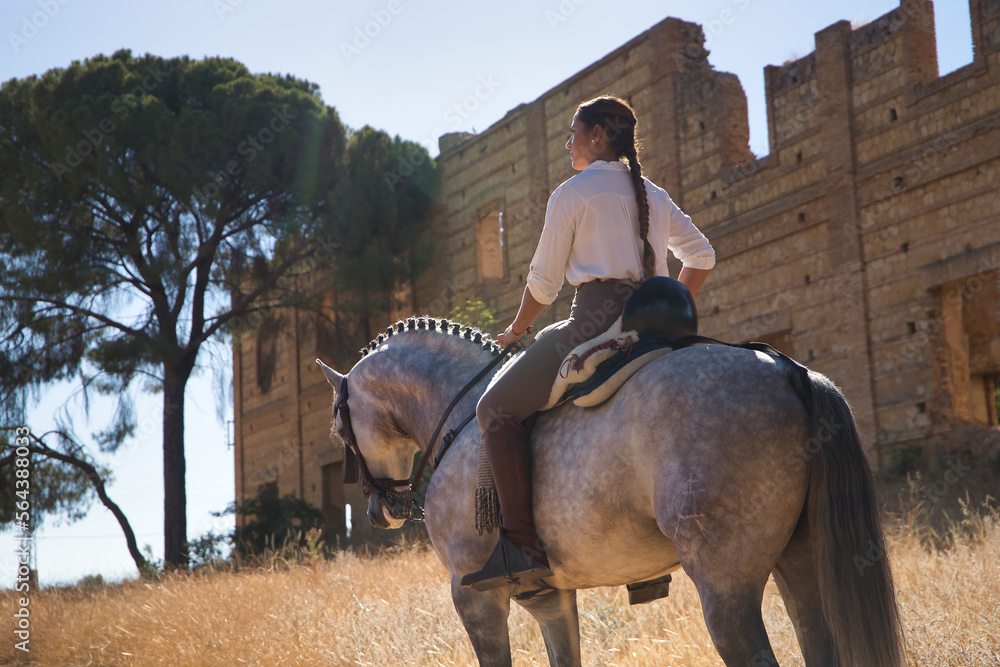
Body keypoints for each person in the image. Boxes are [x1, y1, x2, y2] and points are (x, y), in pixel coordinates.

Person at [461, 95, 716, 591]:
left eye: (574, 133)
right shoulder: (655, 195)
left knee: (494, 407)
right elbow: (702, 255)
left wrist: (515, 330)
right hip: (658, 328)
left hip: (594, 323)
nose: (568, 143)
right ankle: (645, 569)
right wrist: (669, 301)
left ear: (597, 136)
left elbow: (543, 284)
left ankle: (520, 547)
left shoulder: (572, 193)